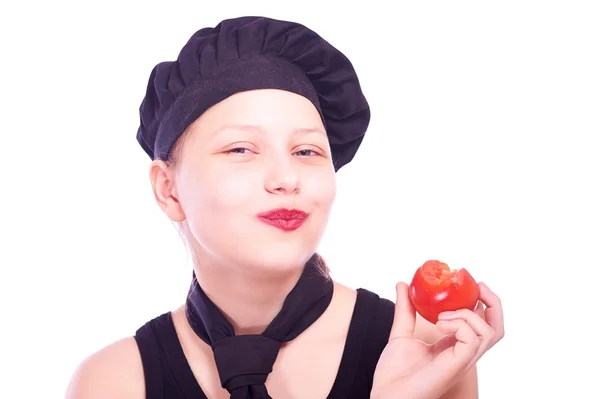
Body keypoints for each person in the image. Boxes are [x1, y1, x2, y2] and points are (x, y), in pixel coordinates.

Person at [66, 16, 504, 399]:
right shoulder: (113, 383)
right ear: (169, 190)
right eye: (240, 149)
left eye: (308, 151)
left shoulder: (426, 353)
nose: (286, 178)